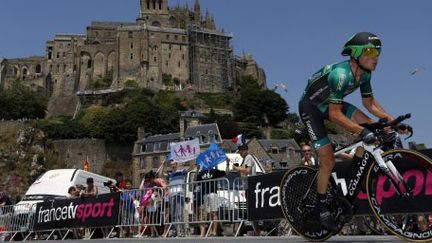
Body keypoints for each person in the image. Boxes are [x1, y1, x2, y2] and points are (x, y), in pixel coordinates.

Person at [298, 32, 411, 232]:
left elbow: (370, 103)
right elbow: (334, 115)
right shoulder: (341, 75)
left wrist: (393, 123)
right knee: (328, 161)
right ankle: (320, 206)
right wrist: (360, 131)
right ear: (356, 53)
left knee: (371, 126)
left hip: (333, 103)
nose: (376, 57)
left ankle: (353, 176)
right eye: (370, 51)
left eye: (378, 52)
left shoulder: (365, 74)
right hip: (312, 108)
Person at [233, 144, 260, 236]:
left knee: (252, 210)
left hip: (251, 186)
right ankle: (257, 231)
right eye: (239, 150)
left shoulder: (248, 157)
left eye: (242, 150)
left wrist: (237, 168)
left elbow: (248, 171)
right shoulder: (245, 159)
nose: (240, 152)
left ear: (246, 150)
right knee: (251, 210)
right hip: (248, 186)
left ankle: (257, 231)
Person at [195, 163, 228, 237]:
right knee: (209, 214)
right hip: (205, 194)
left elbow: (226, 173)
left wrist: (228, 164)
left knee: (214, 213)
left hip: (213, 193)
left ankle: (214, 231)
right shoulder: (201, 172)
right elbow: (195, 180)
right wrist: (197, 169)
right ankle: (210, 231)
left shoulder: (214, 171)